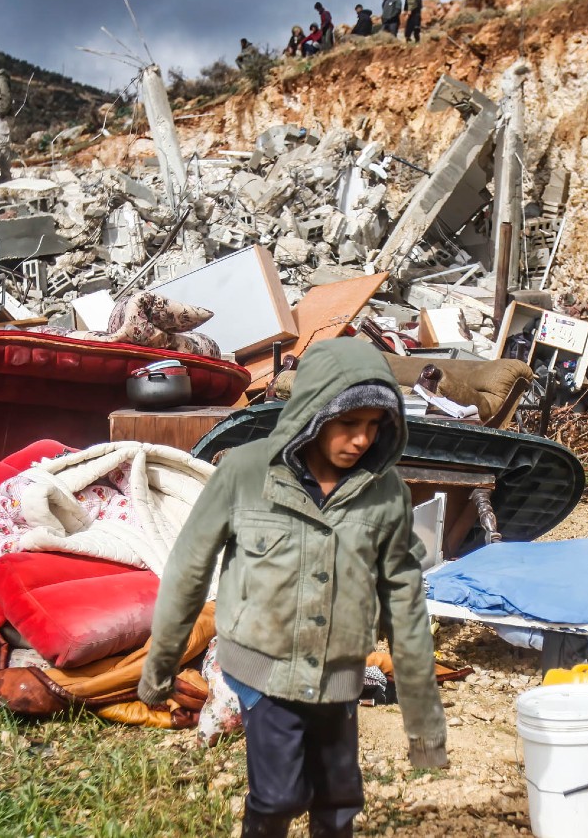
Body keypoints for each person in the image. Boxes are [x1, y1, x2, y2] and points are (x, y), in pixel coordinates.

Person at [140, 338, 447, 838]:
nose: (363, 440)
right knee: (279, 794)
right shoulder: (244, 473)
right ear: (313, 415)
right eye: (349, 424)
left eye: (374, 426)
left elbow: (406, 603)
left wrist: (424, 724)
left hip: (340, 674)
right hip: (264, 668)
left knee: (339, 799)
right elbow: (189, 569)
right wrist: (160, 666)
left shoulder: (386, 494)